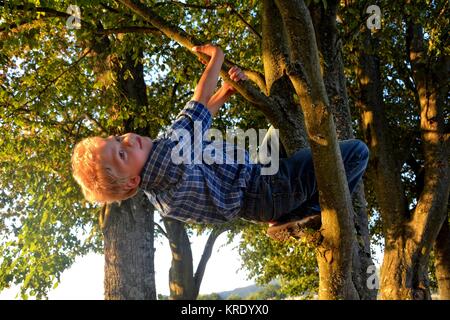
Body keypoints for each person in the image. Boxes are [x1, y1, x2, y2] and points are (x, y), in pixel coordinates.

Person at [71, 44, 369, 242]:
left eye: (117, 138)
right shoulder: (164, 161)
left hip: (255, 189)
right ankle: (307, 211)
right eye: (122, 154)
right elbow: (196, 104)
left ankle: (285, 216)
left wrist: (226, 91)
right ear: (132, 180)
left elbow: (198, 120)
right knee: (357, 152)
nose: (129, 140)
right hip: (265, 188)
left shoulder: (159, 193)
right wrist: (217, 58)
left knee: (282, 124)